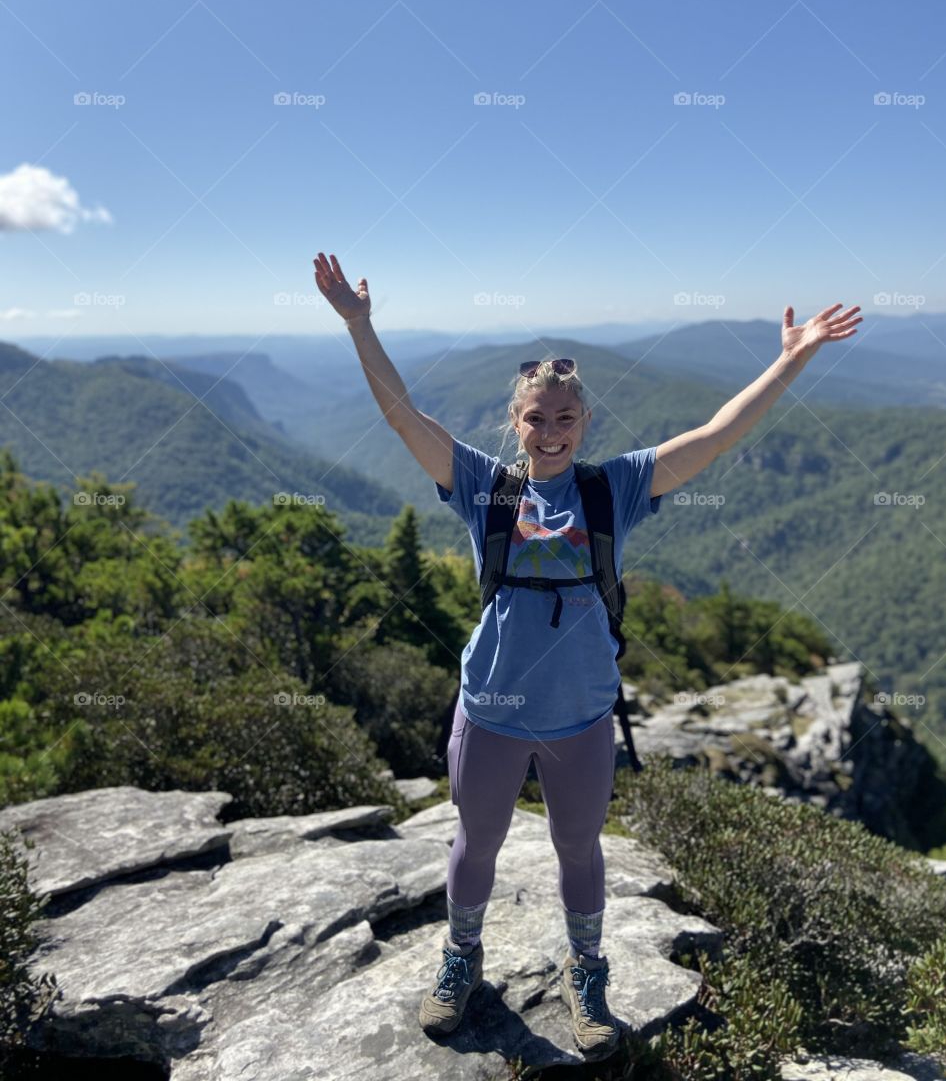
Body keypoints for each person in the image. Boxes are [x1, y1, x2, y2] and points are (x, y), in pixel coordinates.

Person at [313, 250, 862, 1059]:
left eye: (565, 418)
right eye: (536, 418)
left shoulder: (614, 491)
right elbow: (403, 416)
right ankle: (461, 959)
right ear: (516, 423)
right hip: (492, 707)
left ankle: (588, 972)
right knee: (477, 842)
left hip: (579, 716)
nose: (551, 430)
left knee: (579, 847)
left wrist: (790, 360)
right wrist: (361, 326)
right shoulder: (485, 488)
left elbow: (714, 436)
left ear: (586, 423)